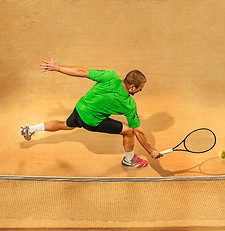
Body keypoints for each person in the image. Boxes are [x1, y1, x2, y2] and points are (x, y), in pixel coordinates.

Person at [20, 57, 162, 168]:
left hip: (80, 109)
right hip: (90, 121)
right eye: (140, 88)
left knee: (65, 124)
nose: (140, 91)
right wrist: (151, 151)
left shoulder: (110, 76)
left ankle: (30, 129)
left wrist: (57, 67)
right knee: (129, 131)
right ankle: (129, 160)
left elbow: (81, 72)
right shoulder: (129, 105)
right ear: (132, 87)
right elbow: (138, 131)